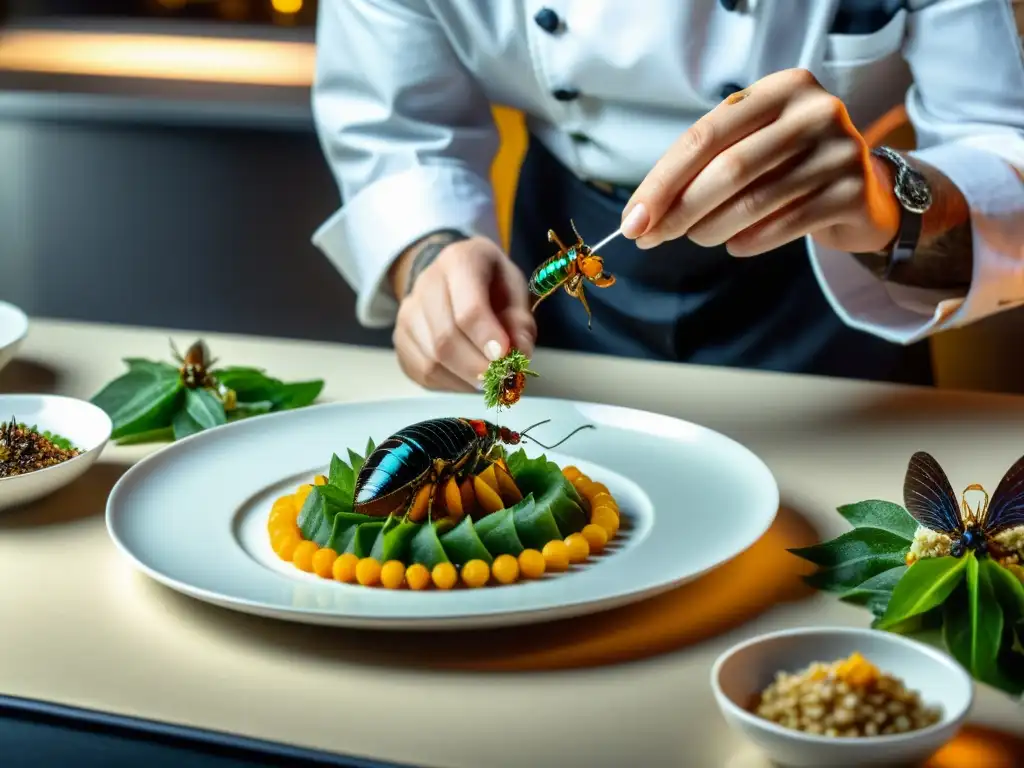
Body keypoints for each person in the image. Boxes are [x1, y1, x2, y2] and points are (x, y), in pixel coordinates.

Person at [310, 0, 1024, 392]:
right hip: (558, 300)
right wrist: (431, 252)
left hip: (828, 293)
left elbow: (1004, 152)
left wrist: (887, 203)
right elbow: (399, 130)